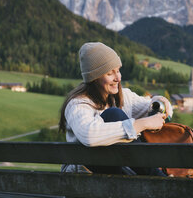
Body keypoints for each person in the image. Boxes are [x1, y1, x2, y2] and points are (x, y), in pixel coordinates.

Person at [59, 42, 173, 175]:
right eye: (110, 73)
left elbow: (151, 106)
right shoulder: (78, 104)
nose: (118, 78)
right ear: (94, 78)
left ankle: (157, 179)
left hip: (118, 171)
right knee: (114, 115)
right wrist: (143, 124)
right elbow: (89, 135)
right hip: (86, 177)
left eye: (118, 70)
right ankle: (159, 179)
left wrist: (160, 102)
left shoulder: (123, 96)